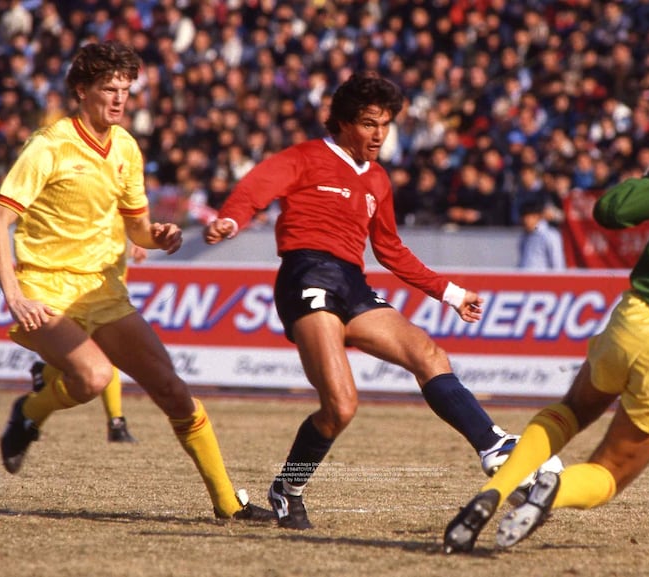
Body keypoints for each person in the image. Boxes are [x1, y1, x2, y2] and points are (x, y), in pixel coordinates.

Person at [205, 72, 557, 530]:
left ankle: (493, 445)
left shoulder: (378, 180)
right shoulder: (307, 156)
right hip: (306, 275)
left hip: (352, 284)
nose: (379, 135)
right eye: (370, 124)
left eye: (386, 125)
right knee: (341, 407)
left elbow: (390, 249)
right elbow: (255, 188)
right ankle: (288, 488)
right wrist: (231, 221)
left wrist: (449, 293)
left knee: (429, 353)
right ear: (345, 123)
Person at [443, 105, 649, 554]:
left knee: (571, 410)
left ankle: (492, 493)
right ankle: (552, 491)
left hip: (635, 320)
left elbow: (612, 210)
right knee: (609, 473)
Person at [0, 41, 255, 520]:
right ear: (81, 91)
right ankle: (31, 413)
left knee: (173, 391)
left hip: (103, 291)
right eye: (107, 89)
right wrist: (12, 293)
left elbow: (137, 227)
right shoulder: (48, 145)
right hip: (45, 290)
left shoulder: (127, 147)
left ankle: (228, 505)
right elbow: (1, 219)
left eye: (125, 89)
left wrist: (158, 236)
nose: (119, 99)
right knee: (93, 377)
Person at [29, 242, 146, 443]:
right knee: (102, 350)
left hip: (109, 259)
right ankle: (116, 422)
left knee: (103, 350)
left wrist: (137, 236)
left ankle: (45, 377)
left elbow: (126, 213)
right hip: (79, 260)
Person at [516, 198, 566, 270]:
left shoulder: (550, 235)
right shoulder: (524, 237)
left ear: (537, 217)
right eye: (523, 218)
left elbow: (557, 264)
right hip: (524, 279)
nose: (525, 221)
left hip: (543, 279)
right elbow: (523, 261)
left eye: (528, 218)